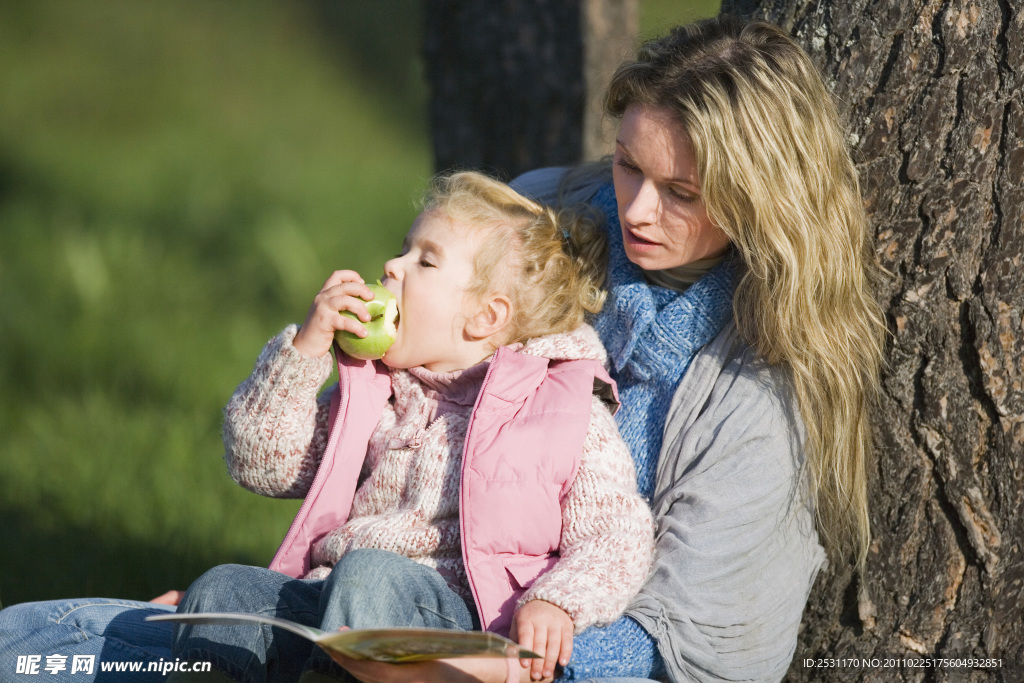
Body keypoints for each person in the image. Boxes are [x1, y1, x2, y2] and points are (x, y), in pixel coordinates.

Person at [0, 15, 886, 683]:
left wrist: (517, 655)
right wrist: (227, 612)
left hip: (480, 644)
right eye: (628, 165)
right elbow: (301, 448)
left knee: (368, 593)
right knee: (29, 644)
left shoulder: (753, 392)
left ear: (762, 199)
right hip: (340, 614)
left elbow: (683, 632)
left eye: (682, 191)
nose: (638, 210)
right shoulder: (543, 224)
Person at [167, 169, 654, 683]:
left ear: (485, 317)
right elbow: (263, 463)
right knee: (219, 596)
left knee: (369, 576)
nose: (390, 266)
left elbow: (617, 535)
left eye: (424, 261)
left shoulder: (561, 412)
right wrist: (306, 350)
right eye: (403, 249)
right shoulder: (380, 393)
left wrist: (558, 601)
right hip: (333, 599)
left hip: (457, 621)